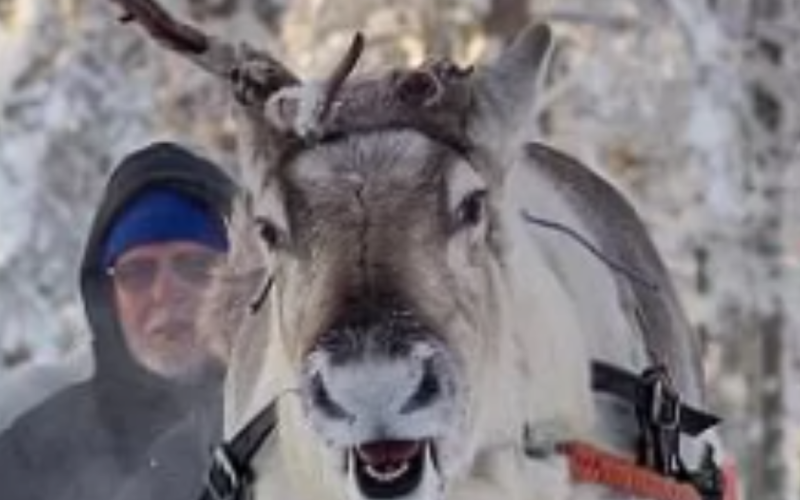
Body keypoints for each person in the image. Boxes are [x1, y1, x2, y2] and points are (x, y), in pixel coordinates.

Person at [0, 142, 237, 500]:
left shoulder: (301, 431)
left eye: (196, 266)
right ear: (107, 296)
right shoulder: (34, 451)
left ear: (242, 279)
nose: (166, 292)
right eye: (138, 272)